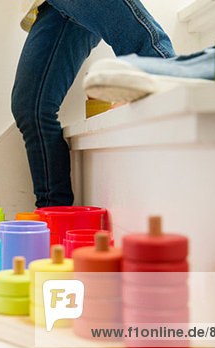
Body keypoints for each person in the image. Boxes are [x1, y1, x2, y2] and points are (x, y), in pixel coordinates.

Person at [11, 0, 175, 208]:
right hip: (47, 7)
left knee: (154, 64)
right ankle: (55, 215)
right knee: (30, 108)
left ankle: (165, 73)